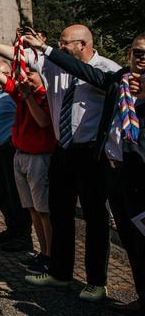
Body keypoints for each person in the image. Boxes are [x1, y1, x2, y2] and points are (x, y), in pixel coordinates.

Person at [0, 24, 120, 302]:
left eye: (66, 43)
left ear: (83, 44)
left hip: (90, 153)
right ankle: (60, 272)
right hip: (63, 150)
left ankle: (96, 281)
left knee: (94, 218)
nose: (61, 47)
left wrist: (47, 49)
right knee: (59, 213)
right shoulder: (54, 65)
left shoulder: (106, 67)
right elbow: (18, 56)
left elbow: (97, 80)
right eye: (59, 43)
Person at [23, 31, 145, 314]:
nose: (140, 58)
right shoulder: (119, 80)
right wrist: (46, 49)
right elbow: (83, 71)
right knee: (131, 241)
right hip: (116, 173)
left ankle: (100, 282)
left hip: (139, 175)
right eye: (136, 51)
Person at [0, 49, 56, 270]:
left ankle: (50, 256)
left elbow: (44, 121)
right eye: (23, 74)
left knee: (43, 210)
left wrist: (27, 95)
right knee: (32, 209)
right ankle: (43, 253)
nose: (25, 78)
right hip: (21, 154)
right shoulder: (20, 93)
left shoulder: (45, 96)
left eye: (30, 74)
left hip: (38, 156)